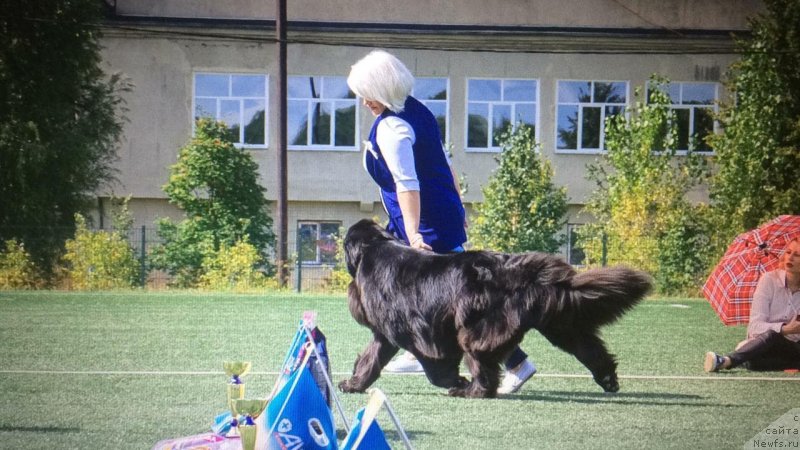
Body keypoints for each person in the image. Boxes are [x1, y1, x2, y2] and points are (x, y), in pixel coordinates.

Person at [347, 49, 537, 394]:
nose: (363, 102)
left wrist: (414, 234)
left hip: (424, 219)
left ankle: (518, 363)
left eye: (366, 94)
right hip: (436, 212)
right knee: (426, 296)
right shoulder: (417, 110)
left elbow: (408, 183)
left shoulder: (393, 127)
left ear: (383, 88)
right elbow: (444, 164)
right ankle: (417, 348)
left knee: (466, 302)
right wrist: (457, 209)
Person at [705, 237, 800, 372]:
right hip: (766, 343)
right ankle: (727, 360)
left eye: (797, 255)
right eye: (789, 252)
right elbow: (754, 327)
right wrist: (785, 329)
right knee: (770, 339)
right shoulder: (769, 280)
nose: (790, 258)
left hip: (794, 347)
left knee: (754, 360)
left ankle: (746, 355)